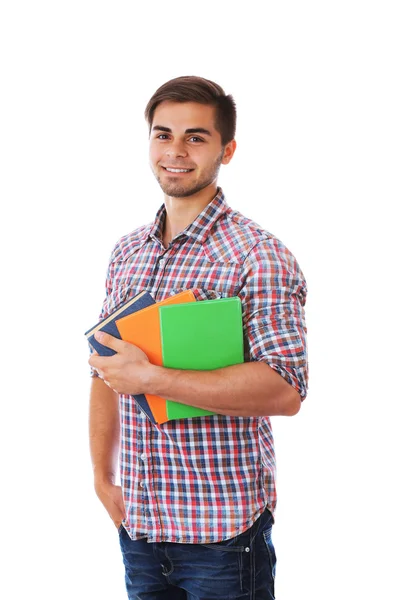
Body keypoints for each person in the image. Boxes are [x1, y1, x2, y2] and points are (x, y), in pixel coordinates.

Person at [88, 75, 308, 600]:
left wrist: (155, 378)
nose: (176, 151)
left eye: (196, 137)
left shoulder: (258, 255)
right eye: (163, 135)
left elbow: (285, 388)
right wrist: (102, 478)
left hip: (224, 536)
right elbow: (102, 369)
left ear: (226, 150)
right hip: (140, 527)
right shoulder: (127, 253)